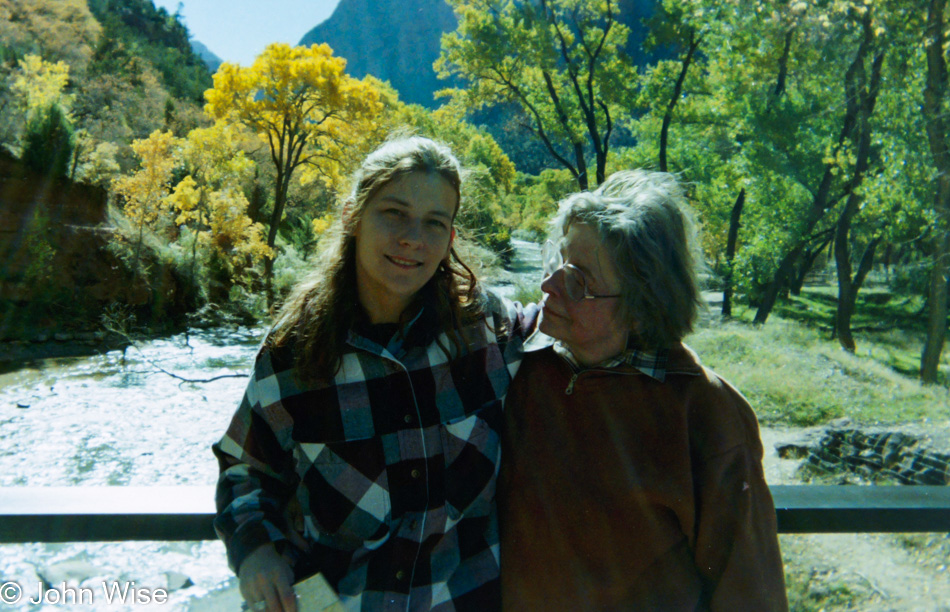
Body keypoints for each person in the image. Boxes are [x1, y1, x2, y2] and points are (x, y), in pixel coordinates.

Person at [213, 136, 535, 612]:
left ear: (449, 238)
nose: (413, 238)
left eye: (434, 222)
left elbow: (579, 333)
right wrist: (255, 550)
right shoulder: (293, 353)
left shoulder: (487, 332)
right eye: (394, 213)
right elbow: (246, 472)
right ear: (352, 217)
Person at [498, 169, 788, 611]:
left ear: (640, 305)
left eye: (578, 281)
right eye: (556, 263)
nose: (548, 286)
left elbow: (747, 589)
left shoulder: (705, 411)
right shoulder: (523, 365)